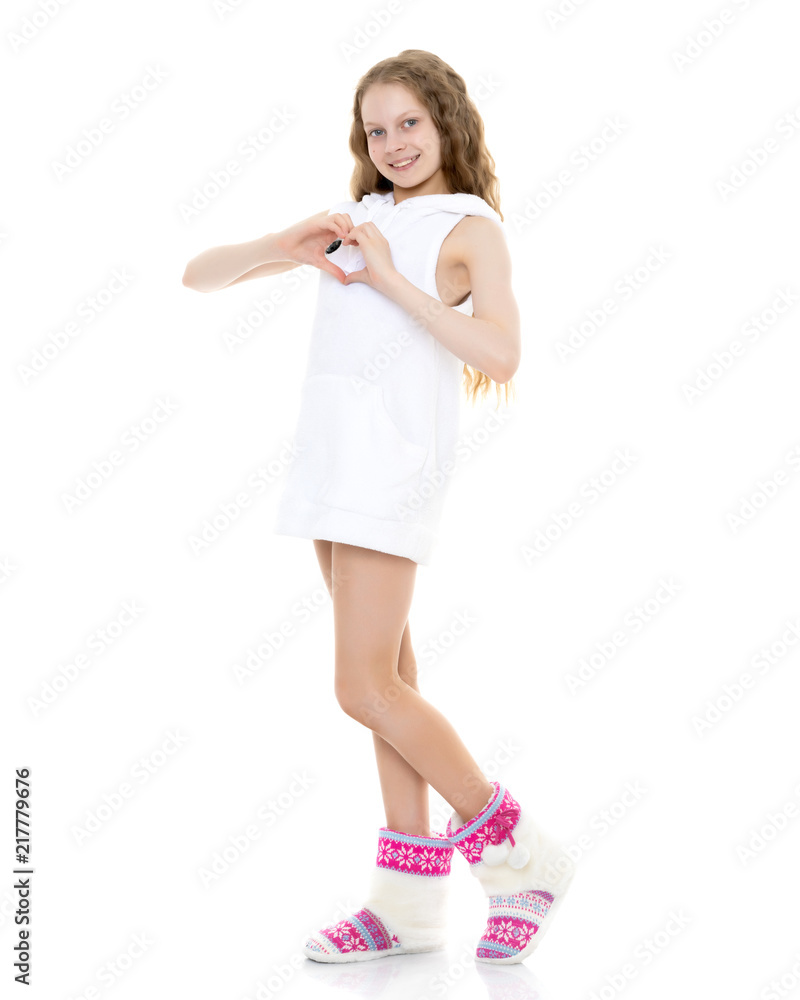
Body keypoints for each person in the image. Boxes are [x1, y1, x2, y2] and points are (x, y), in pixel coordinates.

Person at [183, 48, 575, 966]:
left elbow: (503, 353)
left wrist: (394, 278)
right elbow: (199, 276)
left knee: (363, 686)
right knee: (389, 687)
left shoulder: (468, 226)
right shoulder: (357, 218)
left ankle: (519, 855)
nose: (394, 143)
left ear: (445, 123)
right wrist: (283, 244)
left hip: (388, 475)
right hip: (331, 469)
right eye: (376, 129)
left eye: (410, 123)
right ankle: (407, 905)